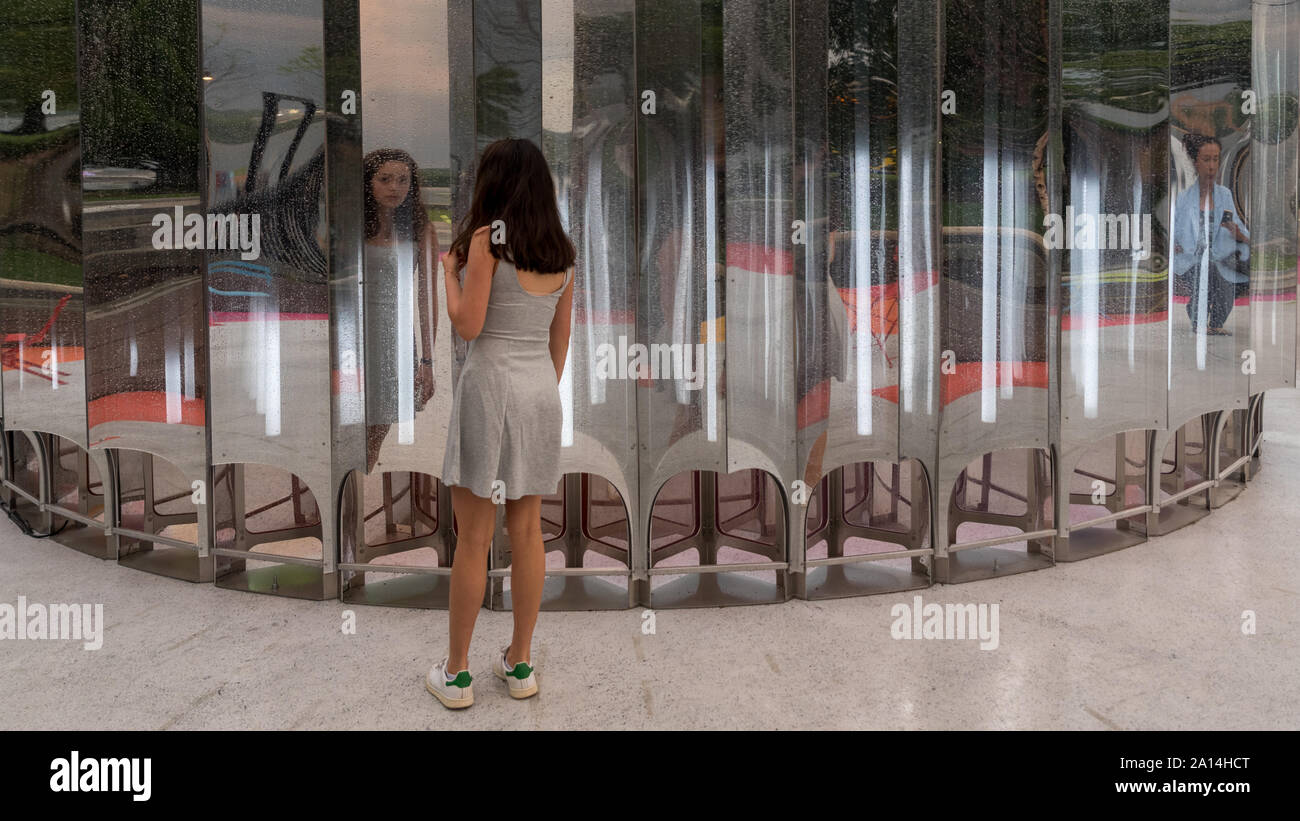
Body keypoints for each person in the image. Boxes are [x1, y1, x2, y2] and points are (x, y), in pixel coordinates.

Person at [426, 137, 576, 709]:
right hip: (540, 389)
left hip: (489, 388)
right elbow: (559, 342)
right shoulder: (560, 251)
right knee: (529, 531)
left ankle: (458, 674)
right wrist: (538, 388)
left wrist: (448, 272)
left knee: (475, 538)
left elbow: (467, 325)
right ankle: (520, 664)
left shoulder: (487, 246)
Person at [362, 148, 438, 472]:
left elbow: (427, 298)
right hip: (357, 334)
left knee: (377, 431)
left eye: (403, 180)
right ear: (368, 183)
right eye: (385, 179)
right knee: (349, 428)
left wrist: (428, 361)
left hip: (396, 337)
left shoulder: (422, 229)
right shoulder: (350, 224)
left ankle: (356, 498)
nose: (395, 187)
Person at [1172, 134, 1250, 336]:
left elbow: (1243, 232)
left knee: (1223, 284)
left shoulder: (1224, 195)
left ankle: (1215, 323)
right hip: (1191, 259)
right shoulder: (1183, 199)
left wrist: (1237, 232)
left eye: (1216, 159)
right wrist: (1173, 244)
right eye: (1207, 160)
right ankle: (1198, 320)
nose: (1212, 166)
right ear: (1196, 162)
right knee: (1205, 274)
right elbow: (1174, 231)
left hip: (1220, 257)